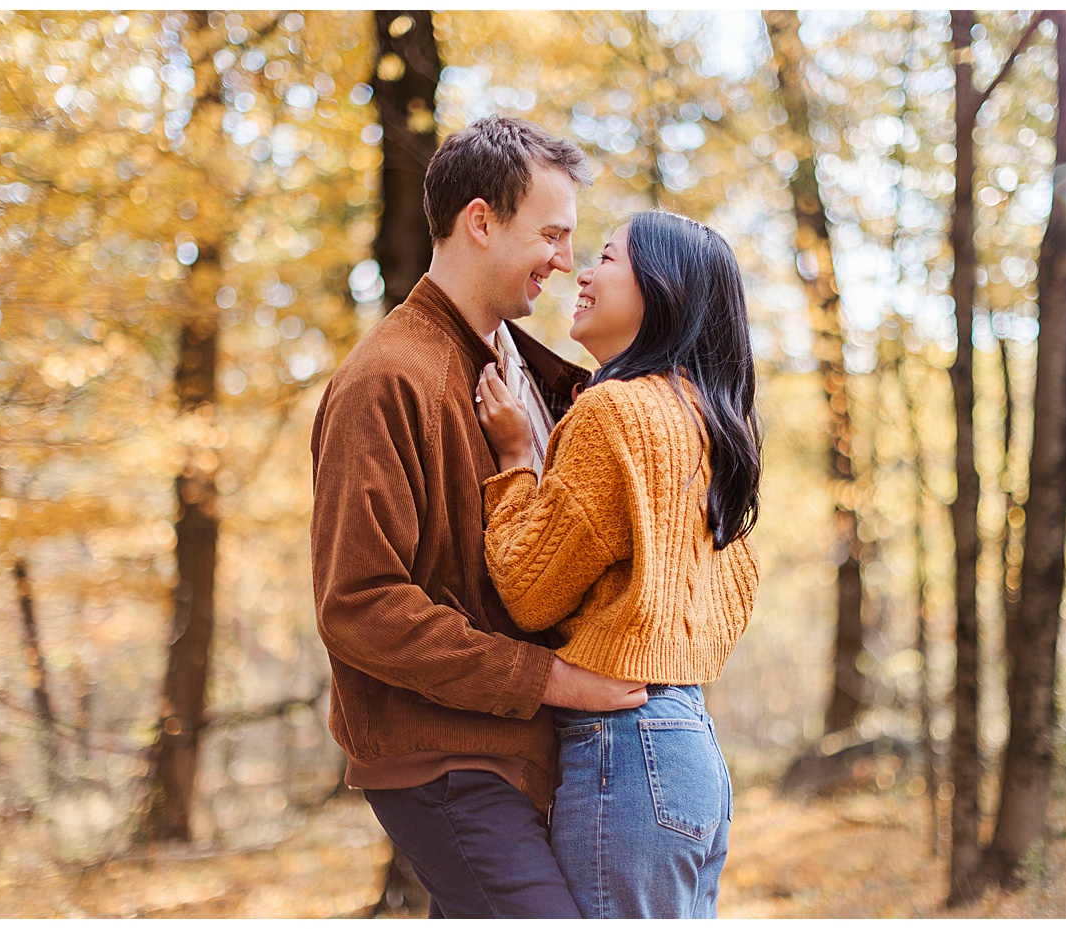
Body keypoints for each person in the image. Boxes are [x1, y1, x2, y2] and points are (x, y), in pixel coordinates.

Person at [309, 116, 648, 918]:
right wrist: (558, 681)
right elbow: (357, 604)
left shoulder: (527, 369)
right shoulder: (387, 379)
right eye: (552, 234)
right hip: (446, 758)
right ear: (481, 221)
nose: (565, 260)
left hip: (520, 748)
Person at [474, 210, 761, 918]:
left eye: (606, 257)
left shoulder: (615, 413)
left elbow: (529, 591)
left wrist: (516, 460)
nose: (580, 271)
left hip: (628, 751)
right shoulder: (708, 420)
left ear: (660, 289)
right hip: (692, 746)